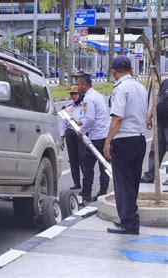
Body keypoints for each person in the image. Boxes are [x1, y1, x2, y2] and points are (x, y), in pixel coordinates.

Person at [103, 55, 148, 235]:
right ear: (130, 69)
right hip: (139, 138)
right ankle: (131, 219)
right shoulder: (140, 87)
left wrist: (108, 141)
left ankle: (129, 223)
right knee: (133, 183)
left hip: (124, 140)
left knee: (122, 183)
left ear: (114, 70)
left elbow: (118, 118)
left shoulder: (120, 89)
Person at [76, 73, 110, 202]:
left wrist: (81, 131)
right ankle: (103, 192)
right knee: (104, 166)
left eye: (78, 84)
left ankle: (86, 194)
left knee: (88, 167)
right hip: (105, 135)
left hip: (96, 137)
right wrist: (81, 122)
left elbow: (90, 119)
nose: (77, 86)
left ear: (84, 85)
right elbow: (95, 116)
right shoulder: (97, 95)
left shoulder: (88, 98)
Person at [140, 79, 168, 184]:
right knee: (155, 150)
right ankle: (150, 176)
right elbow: (157, 100)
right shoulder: (165, 83)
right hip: (160, 123)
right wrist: (149, 117)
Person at [59, 86, 86, 190]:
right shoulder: (68, 106)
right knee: (73, 159)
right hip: (70, 133)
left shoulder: (85, 105)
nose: (73, 96)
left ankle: (86, 182)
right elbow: (64, 123)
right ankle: (76, 183)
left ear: (79, 94)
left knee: (82, 159)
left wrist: (79, 122)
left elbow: (88, 119)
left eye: (75, 93)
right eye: (71, 94)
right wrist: (62, 138)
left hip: (80, 132)